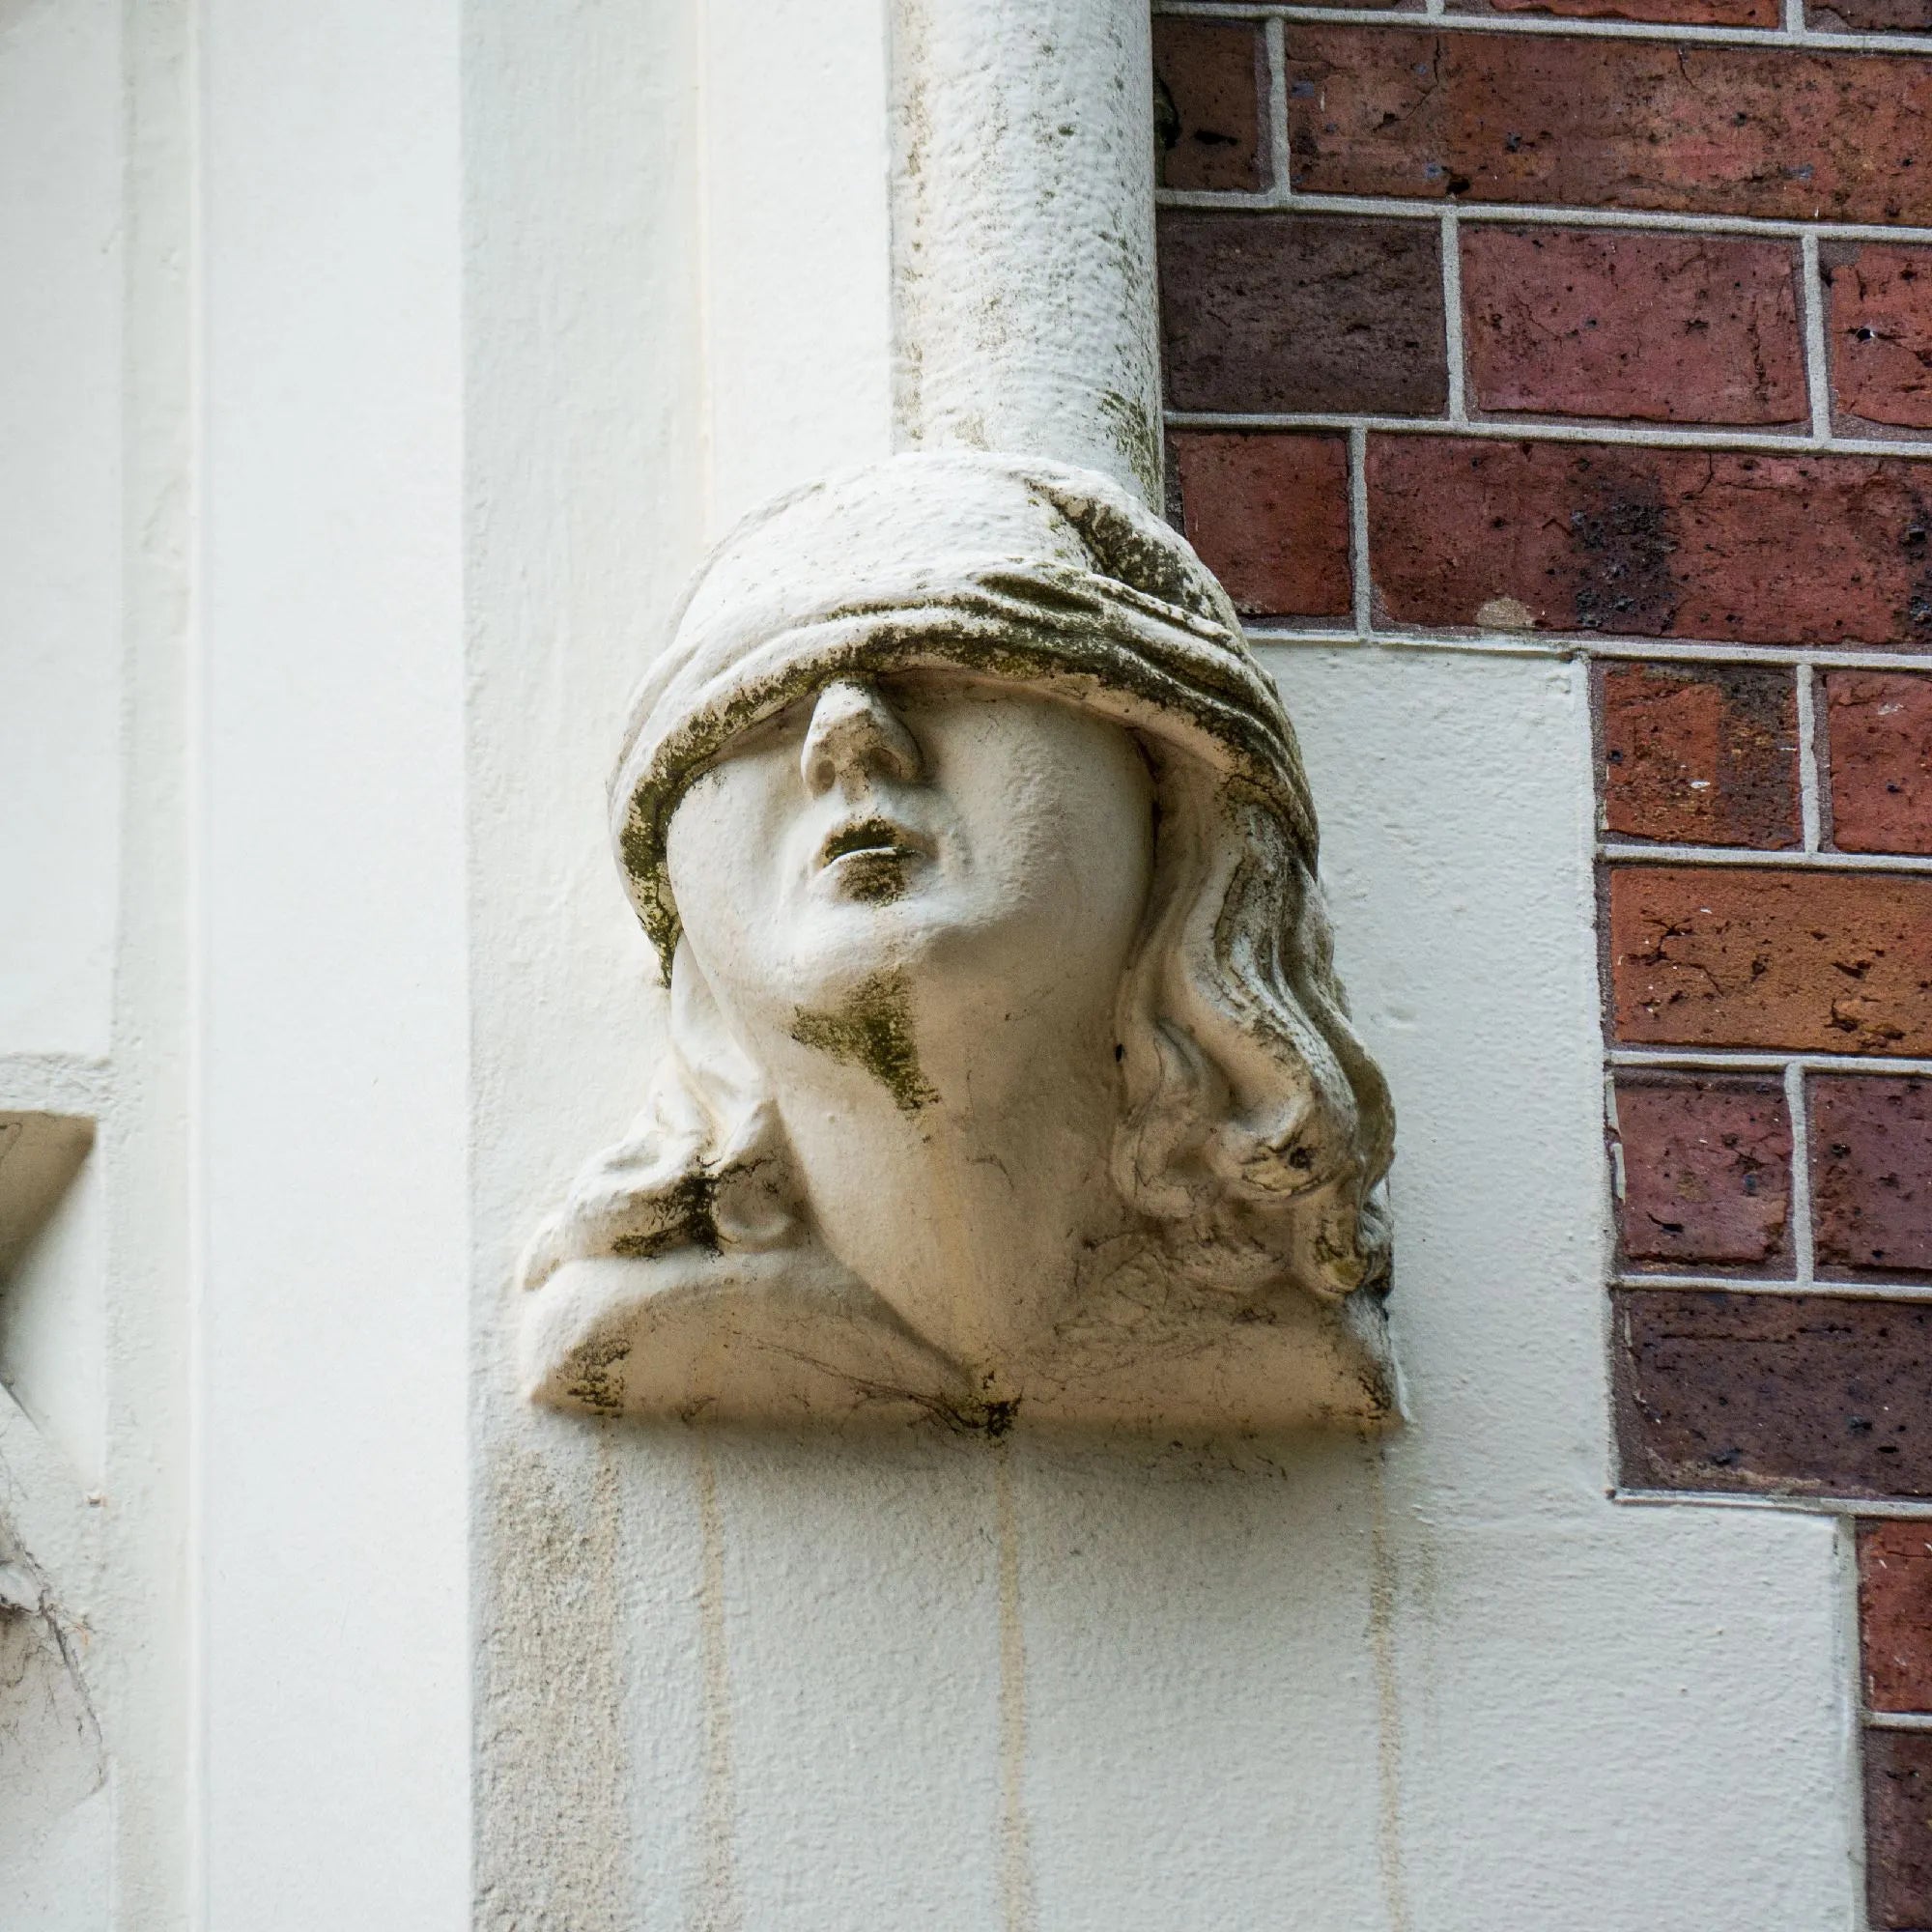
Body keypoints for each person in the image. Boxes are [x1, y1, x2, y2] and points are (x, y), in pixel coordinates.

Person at [520, 452, 1396, 1435]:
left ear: (1175, 806)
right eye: (752, 711)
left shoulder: (1284, 1344)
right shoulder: (643, 1331)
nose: (845, 734)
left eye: (956, 665)